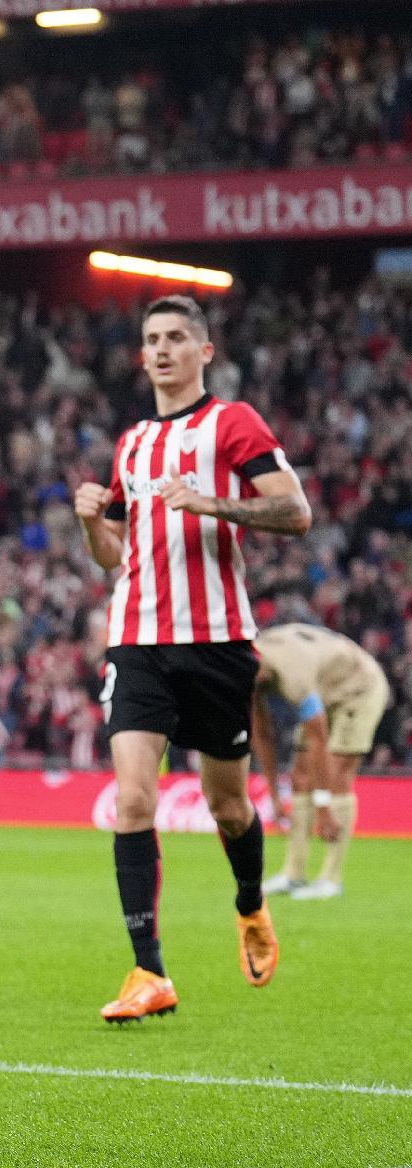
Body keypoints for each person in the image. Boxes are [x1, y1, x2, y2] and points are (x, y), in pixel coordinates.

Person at [72, 294, 311, 1024]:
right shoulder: (132, 443)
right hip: (138, 638)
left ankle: (249, 904)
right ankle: (149, 970)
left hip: (218, 643)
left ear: (205, 351)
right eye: (153, 339)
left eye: (179, 337)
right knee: (134, 797)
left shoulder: (230, 423)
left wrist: (216, 505)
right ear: (141, 356)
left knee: (227, 805)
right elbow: (116, 553)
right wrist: (90, 525)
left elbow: (294, 511)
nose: (165, 349)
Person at [252, 622, 390, 900]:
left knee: (338, 773)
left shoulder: (294, 676)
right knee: (300, 776)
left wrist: (324, 808)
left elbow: (318, 739)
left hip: (360, 688)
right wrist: (275, 796)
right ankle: (294, 874)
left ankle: (331, 878)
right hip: (327, 691)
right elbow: (262, 735)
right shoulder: (248, 671)